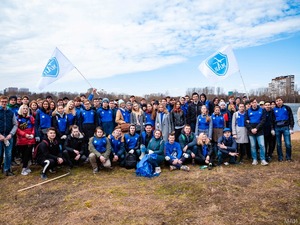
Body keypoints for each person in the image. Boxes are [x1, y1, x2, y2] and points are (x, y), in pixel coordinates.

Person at [245, 98, 268, 166]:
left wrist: (257, 128)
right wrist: (251, 129)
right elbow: (246, 122)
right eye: (252, 103)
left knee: (262, 145)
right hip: (251, 131)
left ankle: (263, 159)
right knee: (253, 146)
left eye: (255, 102)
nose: (254, 104)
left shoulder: (262, 110)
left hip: (259, 130)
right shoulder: (248, 111)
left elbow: (263, 120)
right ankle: (254, 159)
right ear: (251, 104)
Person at [271, 97, 294, 162]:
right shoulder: (273, 109)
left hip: (286, 127)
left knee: (288, 144)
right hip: (277, 128)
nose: (278, 102)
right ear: (276, 102)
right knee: (278, 144)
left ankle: (288, 157)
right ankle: (280, 157)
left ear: (282, 101)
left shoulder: (287, 108)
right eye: (277, 101)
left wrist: (291, 127)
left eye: (279, 100)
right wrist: (272, 129)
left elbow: (291, 117)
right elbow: (271, 120)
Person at [0, 96, 18, 176]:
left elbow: (15, 124)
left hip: (8, 136)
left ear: (7, 102)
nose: (4, 103)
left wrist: (11, 134)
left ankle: (7, 169)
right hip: (0, 136)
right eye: (2, 101)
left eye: (5, 101)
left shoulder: (11, 112)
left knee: (8, 154)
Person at [16, 104, 36, 175]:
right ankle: (24, 168)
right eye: (23, 108)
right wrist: (25, 135)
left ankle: (25, 167)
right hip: (22, 139)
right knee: (24, 154)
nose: (25, 110)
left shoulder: (31, 117)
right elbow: (17, 129)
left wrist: (32, 134)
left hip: (30, 139)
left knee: (28, 154)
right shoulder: (17, 118)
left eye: (26, 108)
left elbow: (34, 126)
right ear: (21, 109)